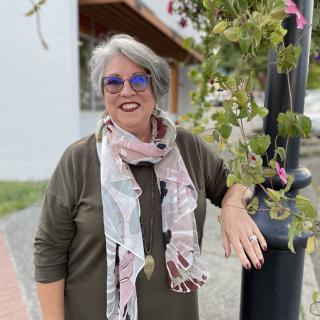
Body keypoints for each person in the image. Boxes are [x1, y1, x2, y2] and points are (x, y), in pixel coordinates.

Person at [34, 34, 267, 320]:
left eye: (139, 80)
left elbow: (237, 181)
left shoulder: (187, 148)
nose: (127, 91)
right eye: (114, 82)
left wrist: (233, 204)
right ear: (103, 91)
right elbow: (49, 251)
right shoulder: (78, 159)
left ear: (155, 86)